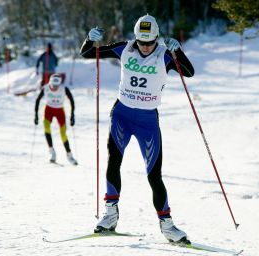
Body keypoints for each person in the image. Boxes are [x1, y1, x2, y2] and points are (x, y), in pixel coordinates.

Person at [80, 14, 194, 244]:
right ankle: (110, 215)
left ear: (157, 39)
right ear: (135, 38)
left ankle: (167, 225)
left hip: (147, 121)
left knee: (154, 175)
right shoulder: (124, 48)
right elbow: (87, 53)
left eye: (150, 42)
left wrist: (178, 51)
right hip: (121, 115)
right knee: (114, 161)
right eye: (141, 42)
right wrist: (89, 40)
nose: (144, 47)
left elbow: (189, 72)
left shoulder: (164, 54)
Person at [34, 73, 78, 165]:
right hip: (49, 109)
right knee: (46, 128)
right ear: (50, 83)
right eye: (53, 85)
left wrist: (72, 115)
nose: (54, 88)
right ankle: (52, 153)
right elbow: (38, 100)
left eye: (57, 86)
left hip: (59, 111)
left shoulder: (64, 89)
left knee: (63, 133)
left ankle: (69, 155)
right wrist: (36, 115)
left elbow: (72, 100)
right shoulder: (45, 88)